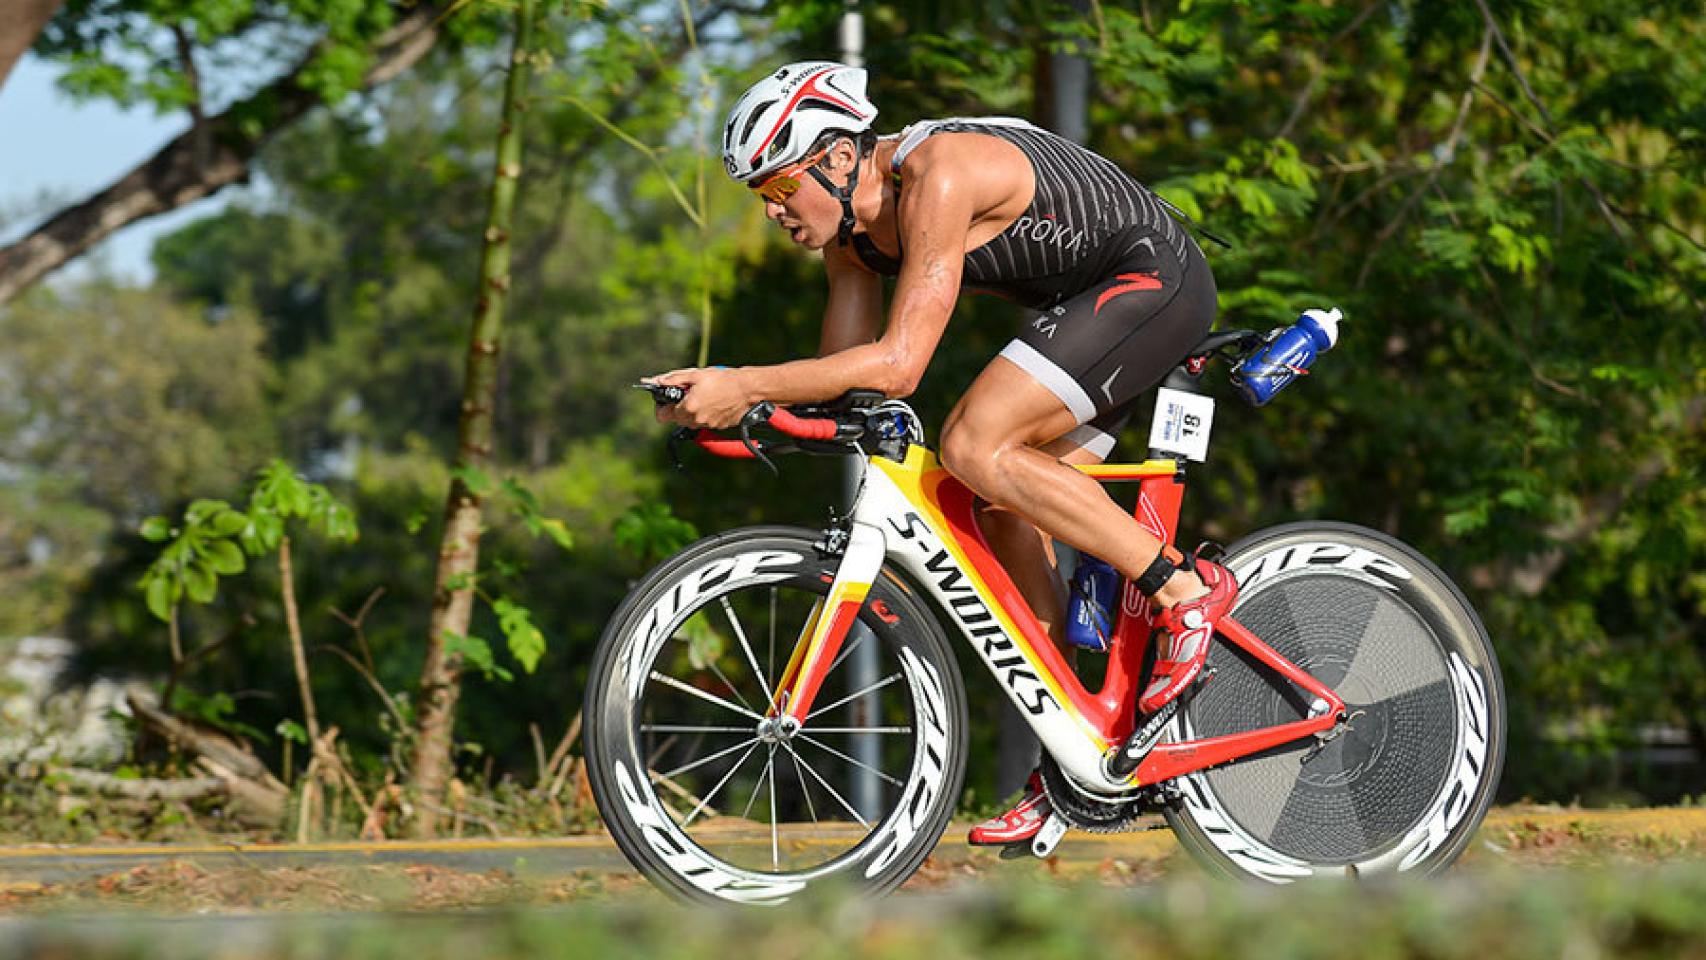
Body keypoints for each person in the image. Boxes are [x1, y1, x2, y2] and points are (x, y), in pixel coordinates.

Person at [648, 60, 1237, 849]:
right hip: (1081, 304)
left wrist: (745, 383)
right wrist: (738, 411)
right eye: (762, 197)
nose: (775, 214)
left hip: (1151, 275)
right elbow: (848, 389)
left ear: (837, 156)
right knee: (1000, 503)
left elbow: (897, 367)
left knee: (971, 444)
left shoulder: (939, 172)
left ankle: (1182, 591)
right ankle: (1072, 757)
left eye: (781, 188)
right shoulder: (851, 241)